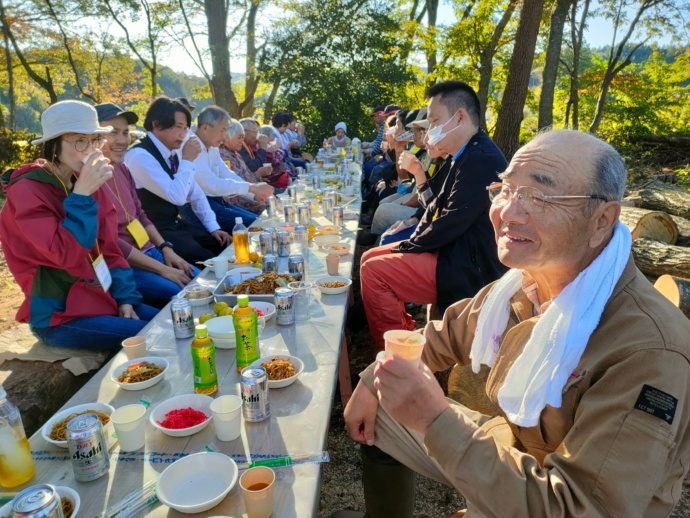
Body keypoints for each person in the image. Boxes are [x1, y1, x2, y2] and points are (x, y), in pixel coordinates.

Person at [336, 128, 690, 518]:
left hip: (554, 496)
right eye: (505, 190)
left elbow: (580, 508)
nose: (507, 212)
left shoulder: (649, 351)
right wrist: (373, 378)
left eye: (538, 196)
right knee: (385, 403)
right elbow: (442, 334)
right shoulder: (526, 284)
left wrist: (434, 419)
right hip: (513, 446)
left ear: (602, 220)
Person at [0, 100, 158, 350]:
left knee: (169, 322)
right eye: (79, 141)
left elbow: (109, 248)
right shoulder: (27, 190)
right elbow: (65, 255)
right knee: (154, 339)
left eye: (95, 140)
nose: (90, 150)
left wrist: (125, 297)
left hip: (102, 297)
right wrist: (81, 196)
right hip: (59, 315)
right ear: (53, 145)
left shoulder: (82, 180)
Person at [360, 81, 508, 347]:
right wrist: (411, 238)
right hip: (455, 249)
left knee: (374, 271)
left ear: (459, 117)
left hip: (468, 265)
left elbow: (451, 220)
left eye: (435, 121)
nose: (430, 131)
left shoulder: (481, 159)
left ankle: (397, 357)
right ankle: (404, 335)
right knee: (370, 257)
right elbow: (434, 206)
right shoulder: (463, 154)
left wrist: (410, 244)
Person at [95, 102, 199, 309]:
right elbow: (109, 242)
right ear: (93, 135)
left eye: (125, 133)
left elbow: (140, 215)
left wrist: (166, 249)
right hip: (126, 264)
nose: (122, 140)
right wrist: (163, 269)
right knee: (188, 295)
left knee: (202, 283)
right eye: (112, 132)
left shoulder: (122, 168)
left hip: (150, 249)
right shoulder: (88, 178)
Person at [125, 96, 231, 264]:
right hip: (156, 233)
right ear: (156, 124)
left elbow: (194, 192)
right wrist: (188, 160)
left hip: (175, 224)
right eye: (178, 127)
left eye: (186, 128)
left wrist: (213, 227)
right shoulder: (139, 156)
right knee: (210, 262)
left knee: (224, 246)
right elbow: (177, 197)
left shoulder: (171, 152)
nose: (183, 134)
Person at [179, 106, 273, 230]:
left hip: (215, 201)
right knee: (256, 226)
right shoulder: (191, 145)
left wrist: (252, 194)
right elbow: (211, 184)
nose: (224, 137)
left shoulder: (212, 147)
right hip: (194, 207)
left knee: (260, 223)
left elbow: (227, 174)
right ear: (206, 128)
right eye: (222, 130)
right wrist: (252, 187)